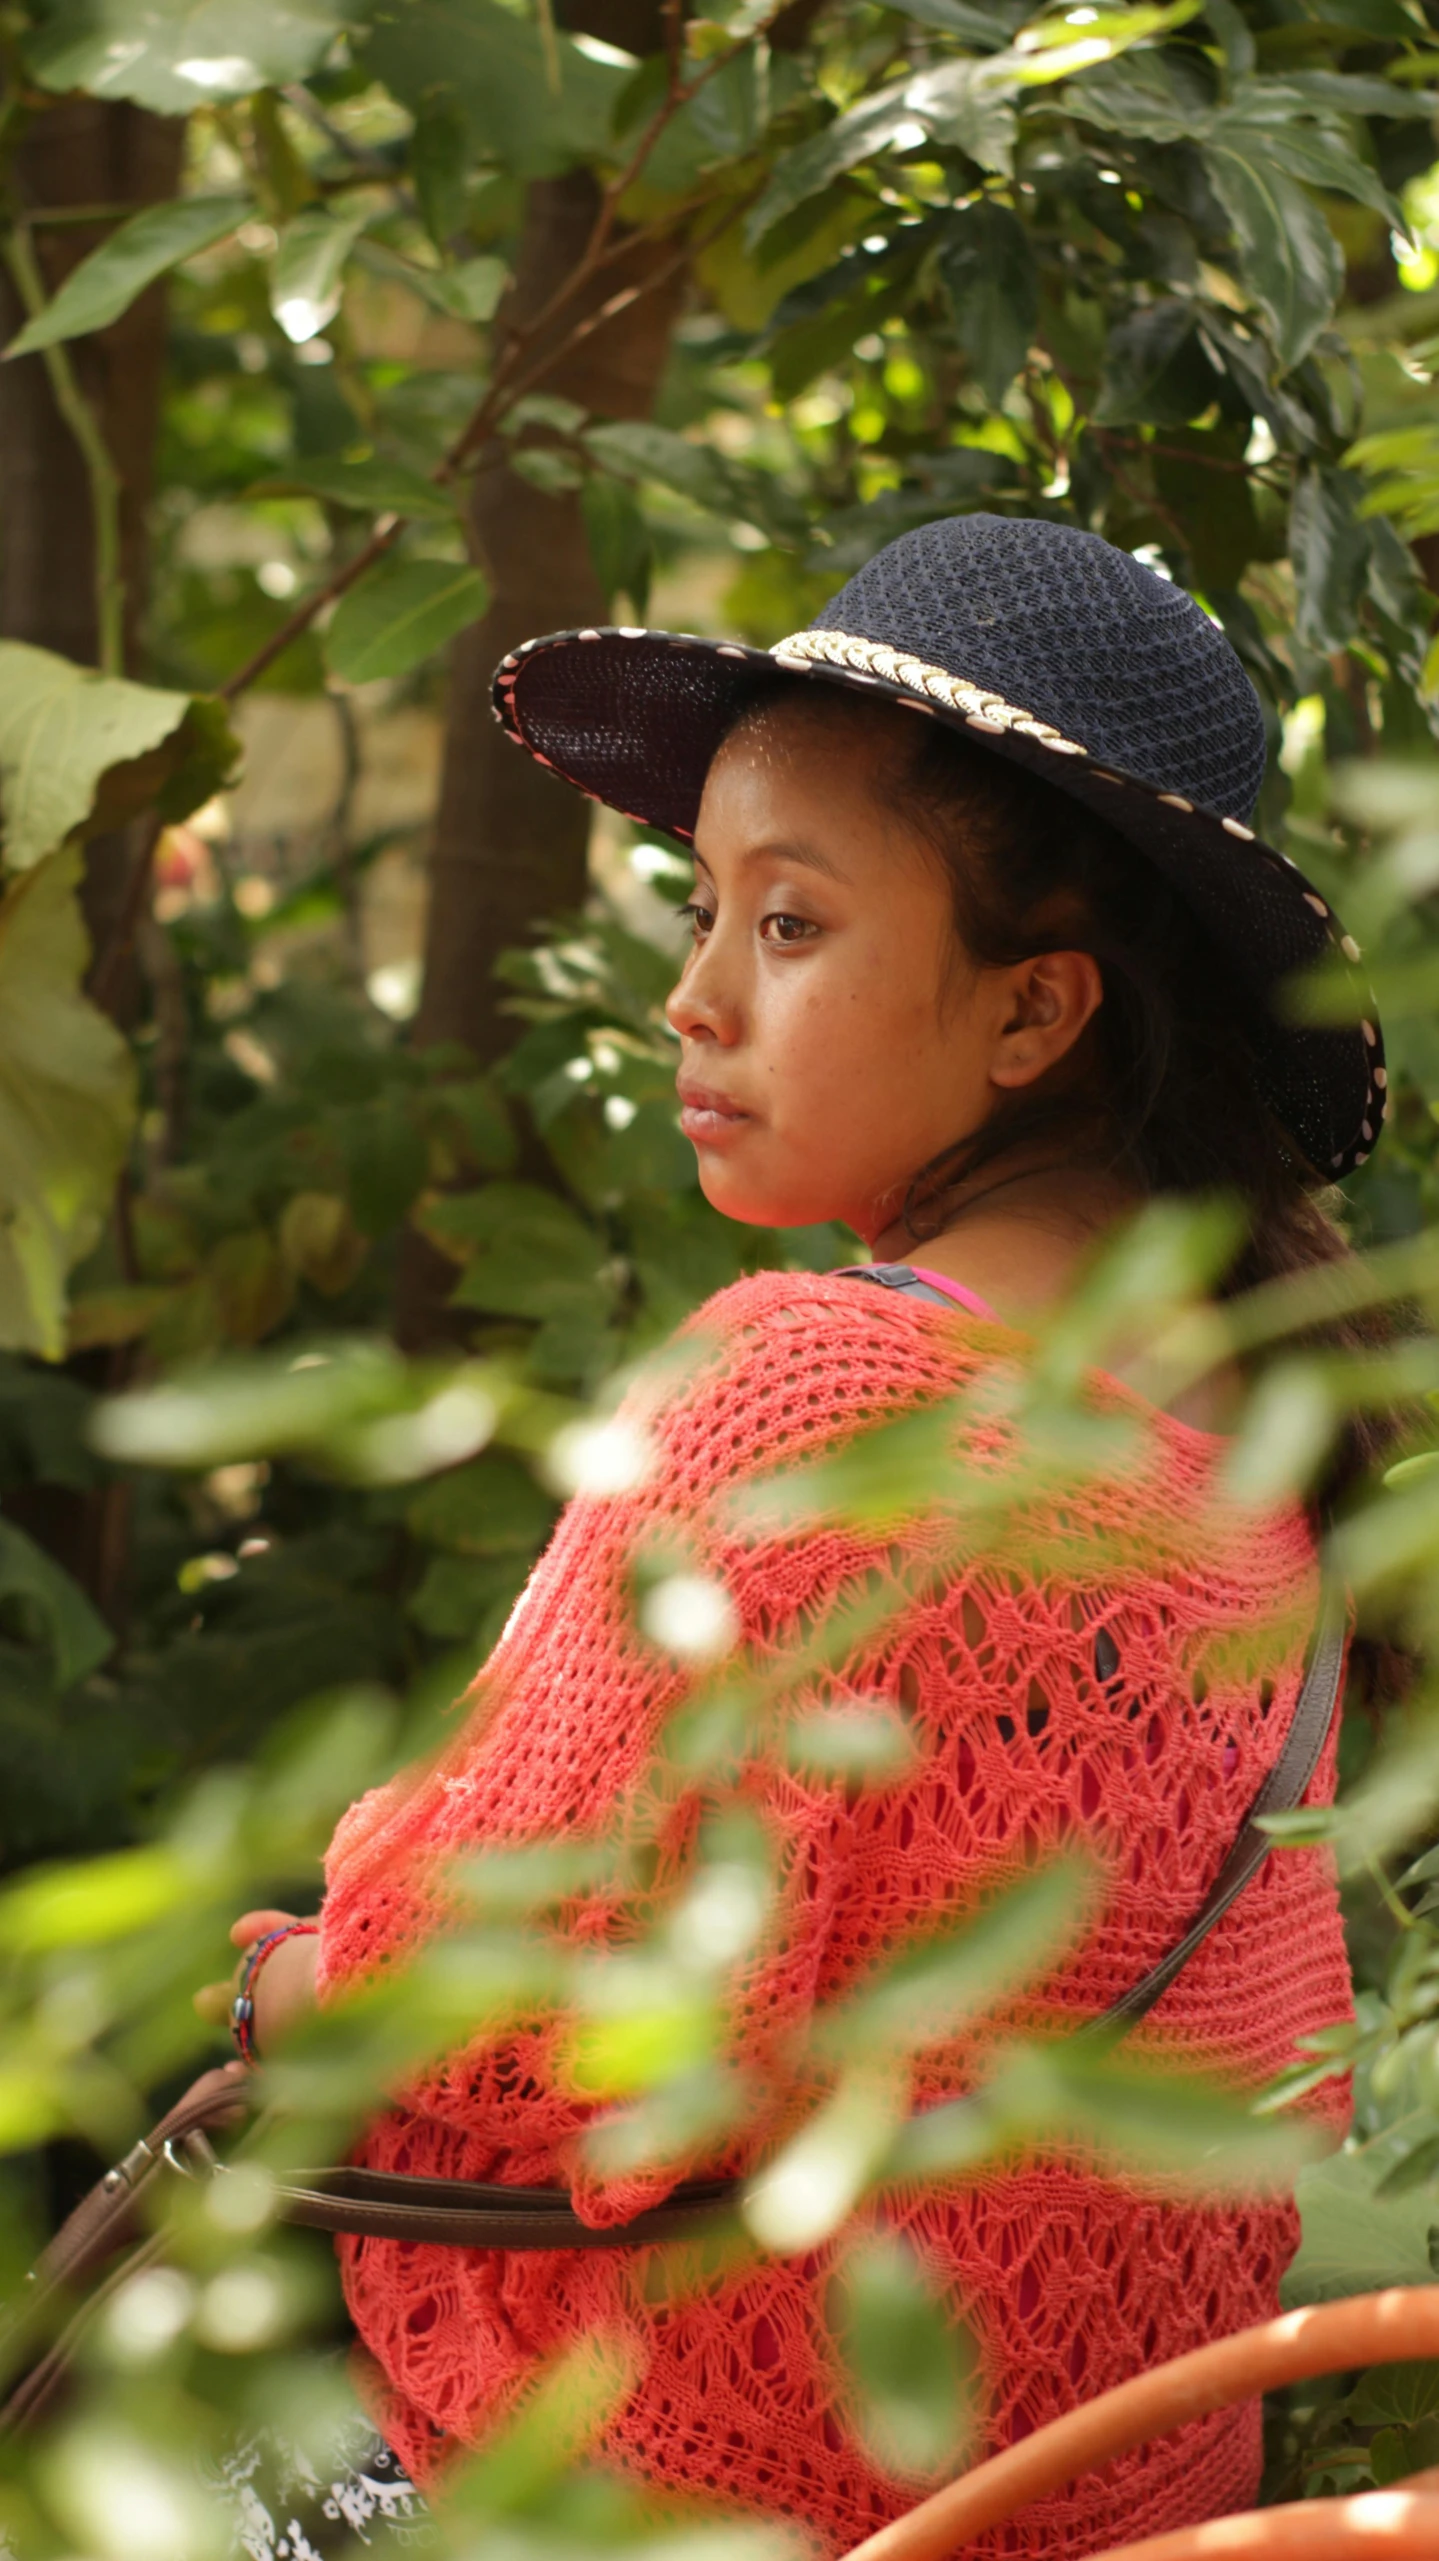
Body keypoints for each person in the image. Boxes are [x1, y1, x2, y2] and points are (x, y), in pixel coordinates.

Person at [208, 516, 1391, 2556]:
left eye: (787, 927)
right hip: (1105, 2499)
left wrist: (289, 1990)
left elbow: (499, 2000)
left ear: (1032, 1016)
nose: (688, 1000)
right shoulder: (1248, 1438)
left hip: (745, 2502)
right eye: (702, 912)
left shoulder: (815, 1388)